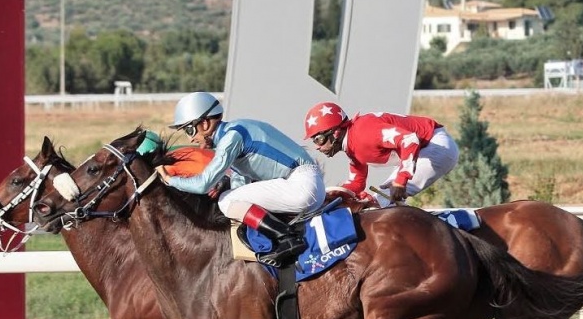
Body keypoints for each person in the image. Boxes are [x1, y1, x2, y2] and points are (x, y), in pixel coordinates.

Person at [157, 92, 325, 266]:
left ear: (205, 123)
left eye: (189, 130)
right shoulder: (236, 130)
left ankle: (286, 237)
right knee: (230, 197)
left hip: (301, 185)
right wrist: (225, 183)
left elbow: (203, 184)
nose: (190, 138)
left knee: (225, 201)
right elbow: (240, 183)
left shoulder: (232, 137)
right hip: (305, 184)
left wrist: (170, 180)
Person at [303, 102, 459, 205]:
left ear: (336, 132)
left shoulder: (363, 132)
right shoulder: (352, 147)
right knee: (379, 198)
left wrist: (401, 179)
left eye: (318, 139)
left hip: (437, 146)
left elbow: (410, 140)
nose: (318, 147)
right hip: (424, 150)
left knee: (380, 199)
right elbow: (356, 183)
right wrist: (331, 196)